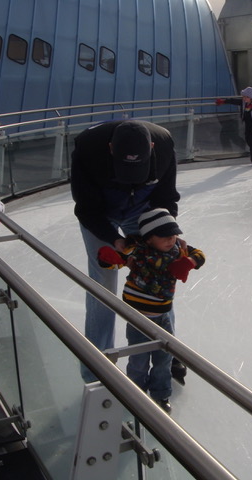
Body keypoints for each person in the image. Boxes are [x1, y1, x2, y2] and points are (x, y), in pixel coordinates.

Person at [70, 119, 183, 383]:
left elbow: (166, 198)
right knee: (103, 283)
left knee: (159, 273)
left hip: (143, 212)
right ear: (110, 149)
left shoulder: (165, 146)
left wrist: (167, 232)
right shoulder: (87, 149)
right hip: (101, 214)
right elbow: (86, 209)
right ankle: (96, 363)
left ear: (152, 147)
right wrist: (113, 240)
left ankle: (168, 347)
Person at [97, 208, 205, 413]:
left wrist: (189, 262)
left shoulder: (178, 249)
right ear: (148, 238)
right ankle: (135, 394)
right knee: (139, 360)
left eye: (173, 234)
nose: (171, 239)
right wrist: (110, 259)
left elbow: (200, 255)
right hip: (139, 319)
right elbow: (114, 262)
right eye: (164, 236)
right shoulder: (136, 250)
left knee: (163, 359)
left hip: (163, 316)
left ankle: (161, 394)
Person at [215, 87, 252, 165]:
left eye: (246, 97)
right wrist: (224, 101)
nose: (244, 98)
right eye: (243, 97)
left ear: (251, 97)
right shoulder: (243, 103)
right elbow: (234, 101)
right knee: (248, 141)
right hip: (248, 126)